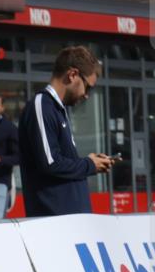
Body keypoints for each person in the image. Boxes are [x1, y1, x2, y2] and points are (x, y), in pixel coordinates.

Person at [18, 45, 113, 216]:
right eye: (88, 87)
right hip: (55, 223)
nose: (86, 95)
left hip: (71, 222)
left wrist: (89, 161)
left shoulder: (58, 109)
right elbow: (51, 163)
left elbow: (61, 162)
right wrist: (89, 165)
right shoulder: (42, 105)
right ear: (72, 75)